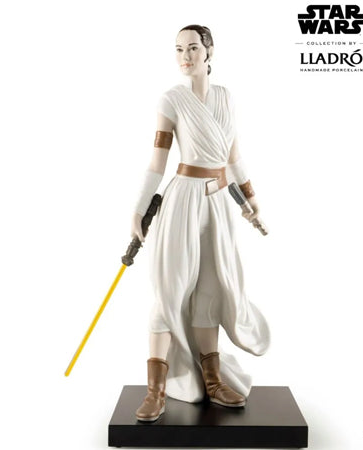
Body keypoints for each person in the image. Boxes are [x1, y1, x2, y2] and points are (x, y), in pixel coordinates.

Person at [131, 24, 270, 422]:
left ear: (209, 52)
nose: (185, 56)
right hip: (184, 199)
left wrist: (252, 199)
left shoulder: (226, 98)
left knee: (213, 287)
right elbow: (157, 161)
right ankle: (156, 391)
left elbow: (234, 156)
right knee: (170, 289)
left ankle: (212, 380)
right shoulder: (171, 100)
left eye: (192, 48)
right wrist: (139, 208)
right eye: (178, 49)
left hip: (219, 203)